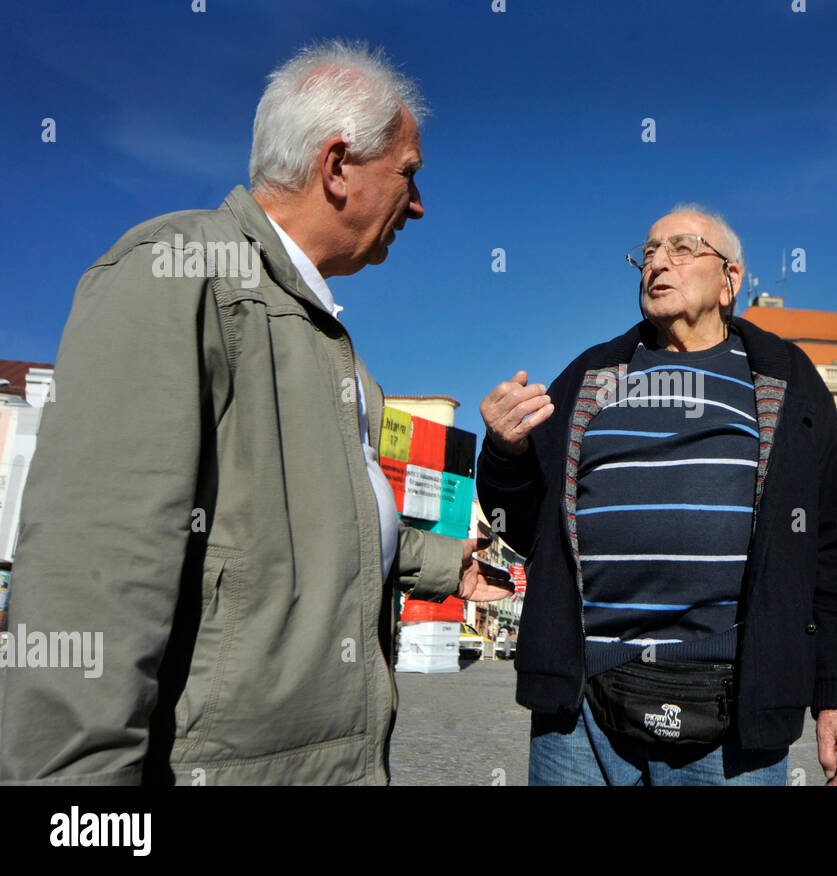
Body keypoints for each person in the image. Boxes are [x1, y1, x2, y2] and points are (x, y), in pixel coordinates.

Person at [0, 41, 512, 785]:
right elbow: (95, 573)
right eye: (409, 174)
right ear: (337, 166)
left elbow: (306, 534)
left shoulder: (324, 340)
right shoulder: (177, 274)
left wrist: (443, 565)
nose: (420, 203)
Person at [477, 205, 837, 785]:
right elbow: (526, 526)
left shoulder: (786, 379)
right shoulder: (590, 375)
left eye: (682, 248)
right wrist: (506, 454)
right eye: (649, 252)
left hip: (734, 698)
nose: (657, 262)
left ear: (730, 280)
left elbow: (830, 550)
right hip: (581, 702)